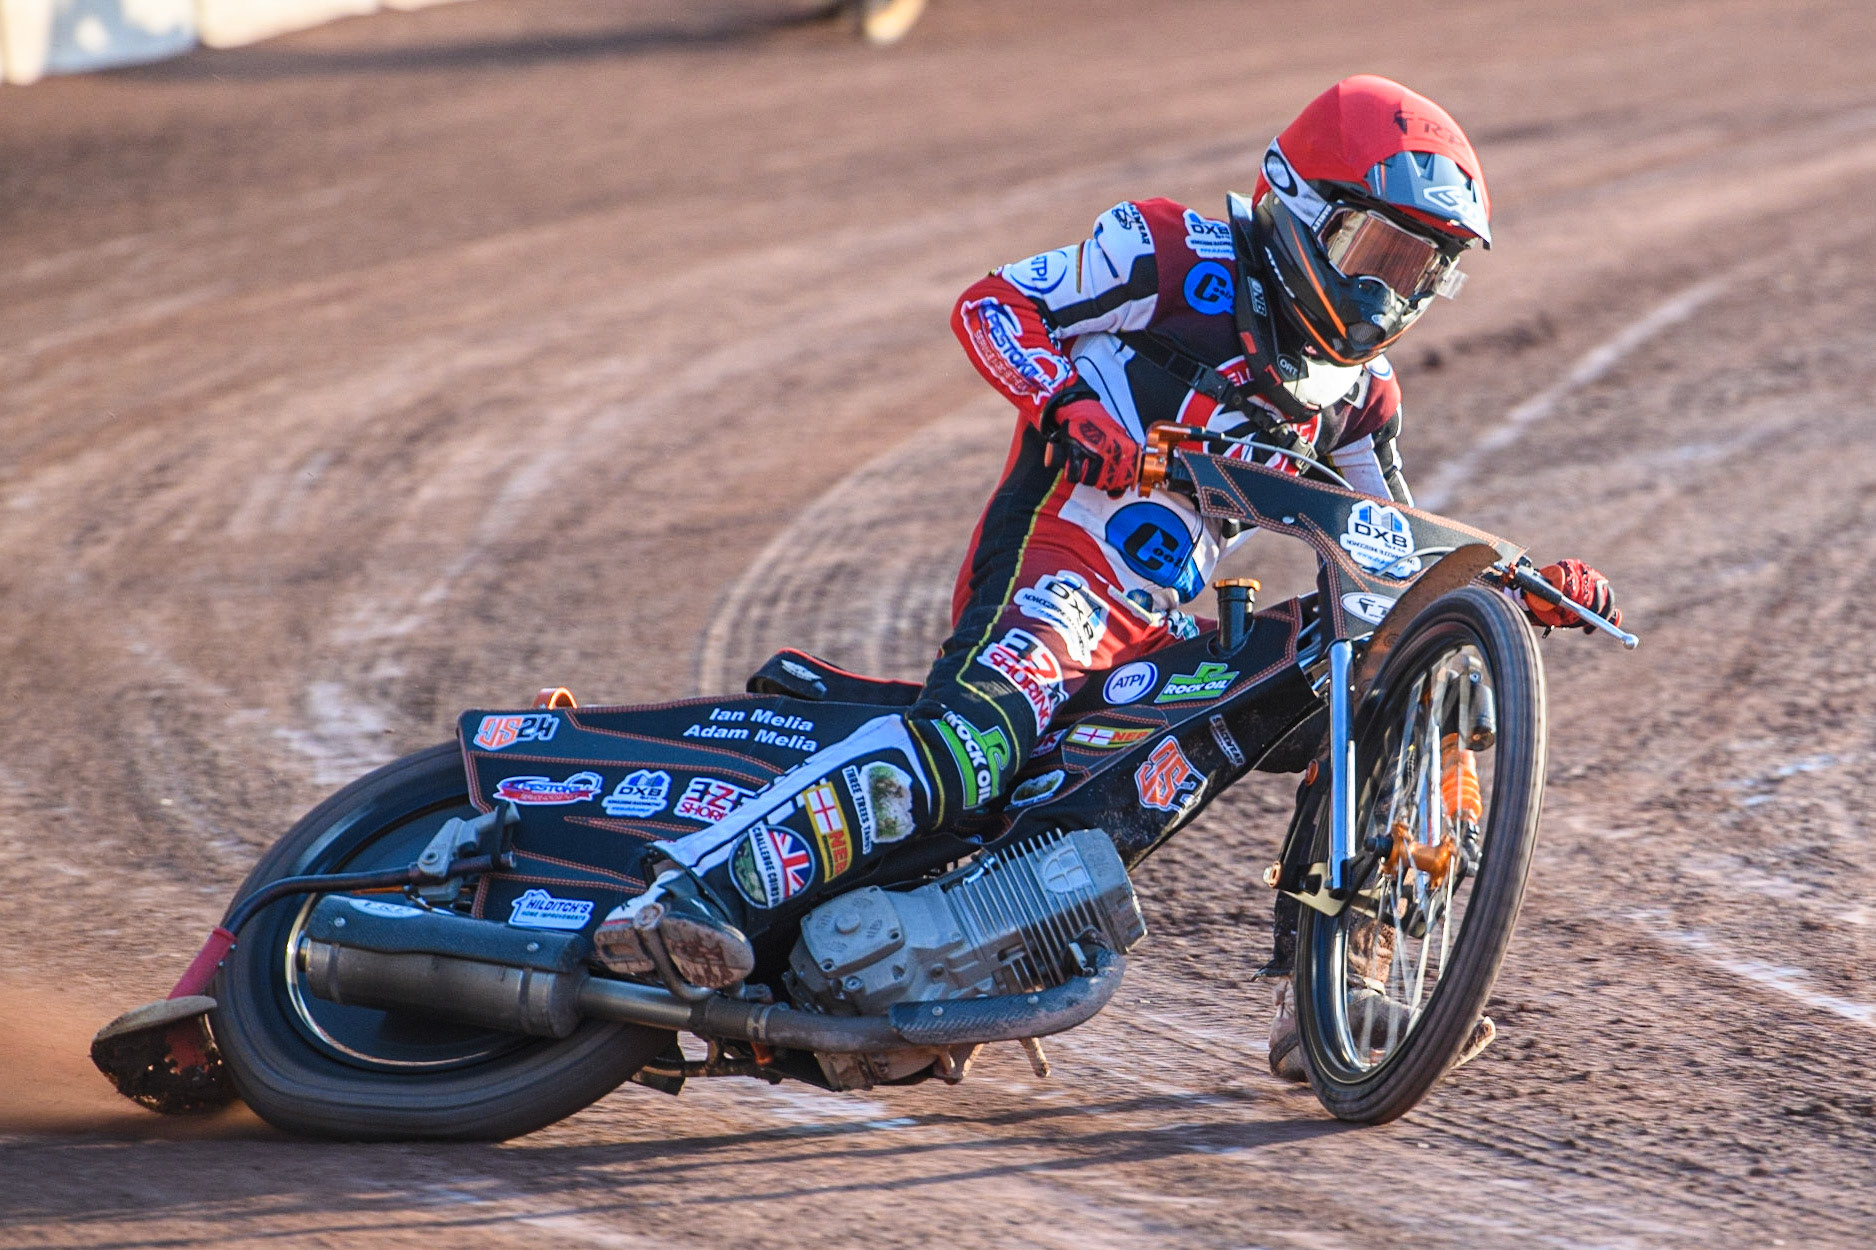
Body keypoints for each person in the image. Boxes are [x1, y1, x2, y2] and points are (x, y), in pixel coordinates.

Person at [593, 76, 1619, 1071]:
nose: (1381, 293)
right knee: (969, 752)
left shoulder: (1360, 397)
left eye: (1416, 272)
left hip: (1166, 631)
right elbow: (994, 307)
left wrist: (1511, 582)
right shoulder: (1168, 254)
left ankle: (1334, 985)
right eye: (1372, 252)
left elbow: (1386, 546)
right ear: (1297, 202)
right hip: (1060, 573)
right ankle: (693, 899)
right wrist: (1060, 403)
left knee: (1380, 664)